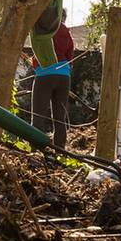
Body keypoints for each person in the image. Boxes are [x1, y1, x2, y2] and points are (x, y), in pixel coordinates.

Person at [30, 17, 74, 150]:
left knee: (38, 115)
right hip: (64, 77)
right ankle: (60, 150)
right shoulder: (65, 31)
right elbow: (70, 54)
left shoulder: (42, 28)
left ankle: (36, 149)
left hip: (44, 75)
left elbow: (38, 50)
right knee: (60, 116)